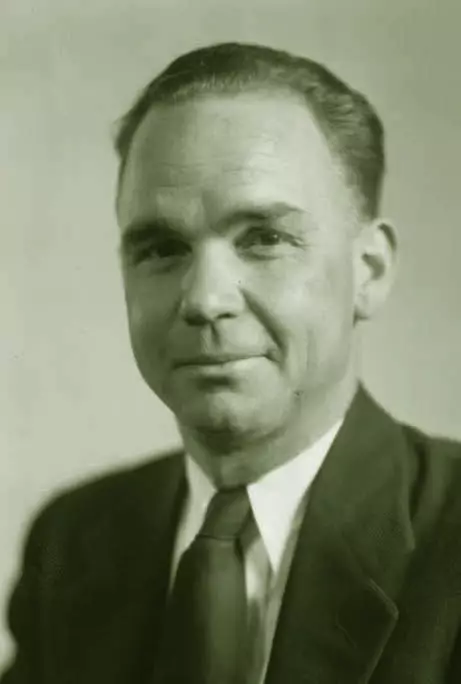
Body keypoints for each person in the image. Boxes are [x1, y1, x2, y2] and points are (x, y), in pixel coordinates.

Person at [2, 41, 461, 684]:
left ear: (370, 270)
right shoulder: (76, 541)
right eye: (161, 247)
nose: (205, 299)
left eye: (265, 238)